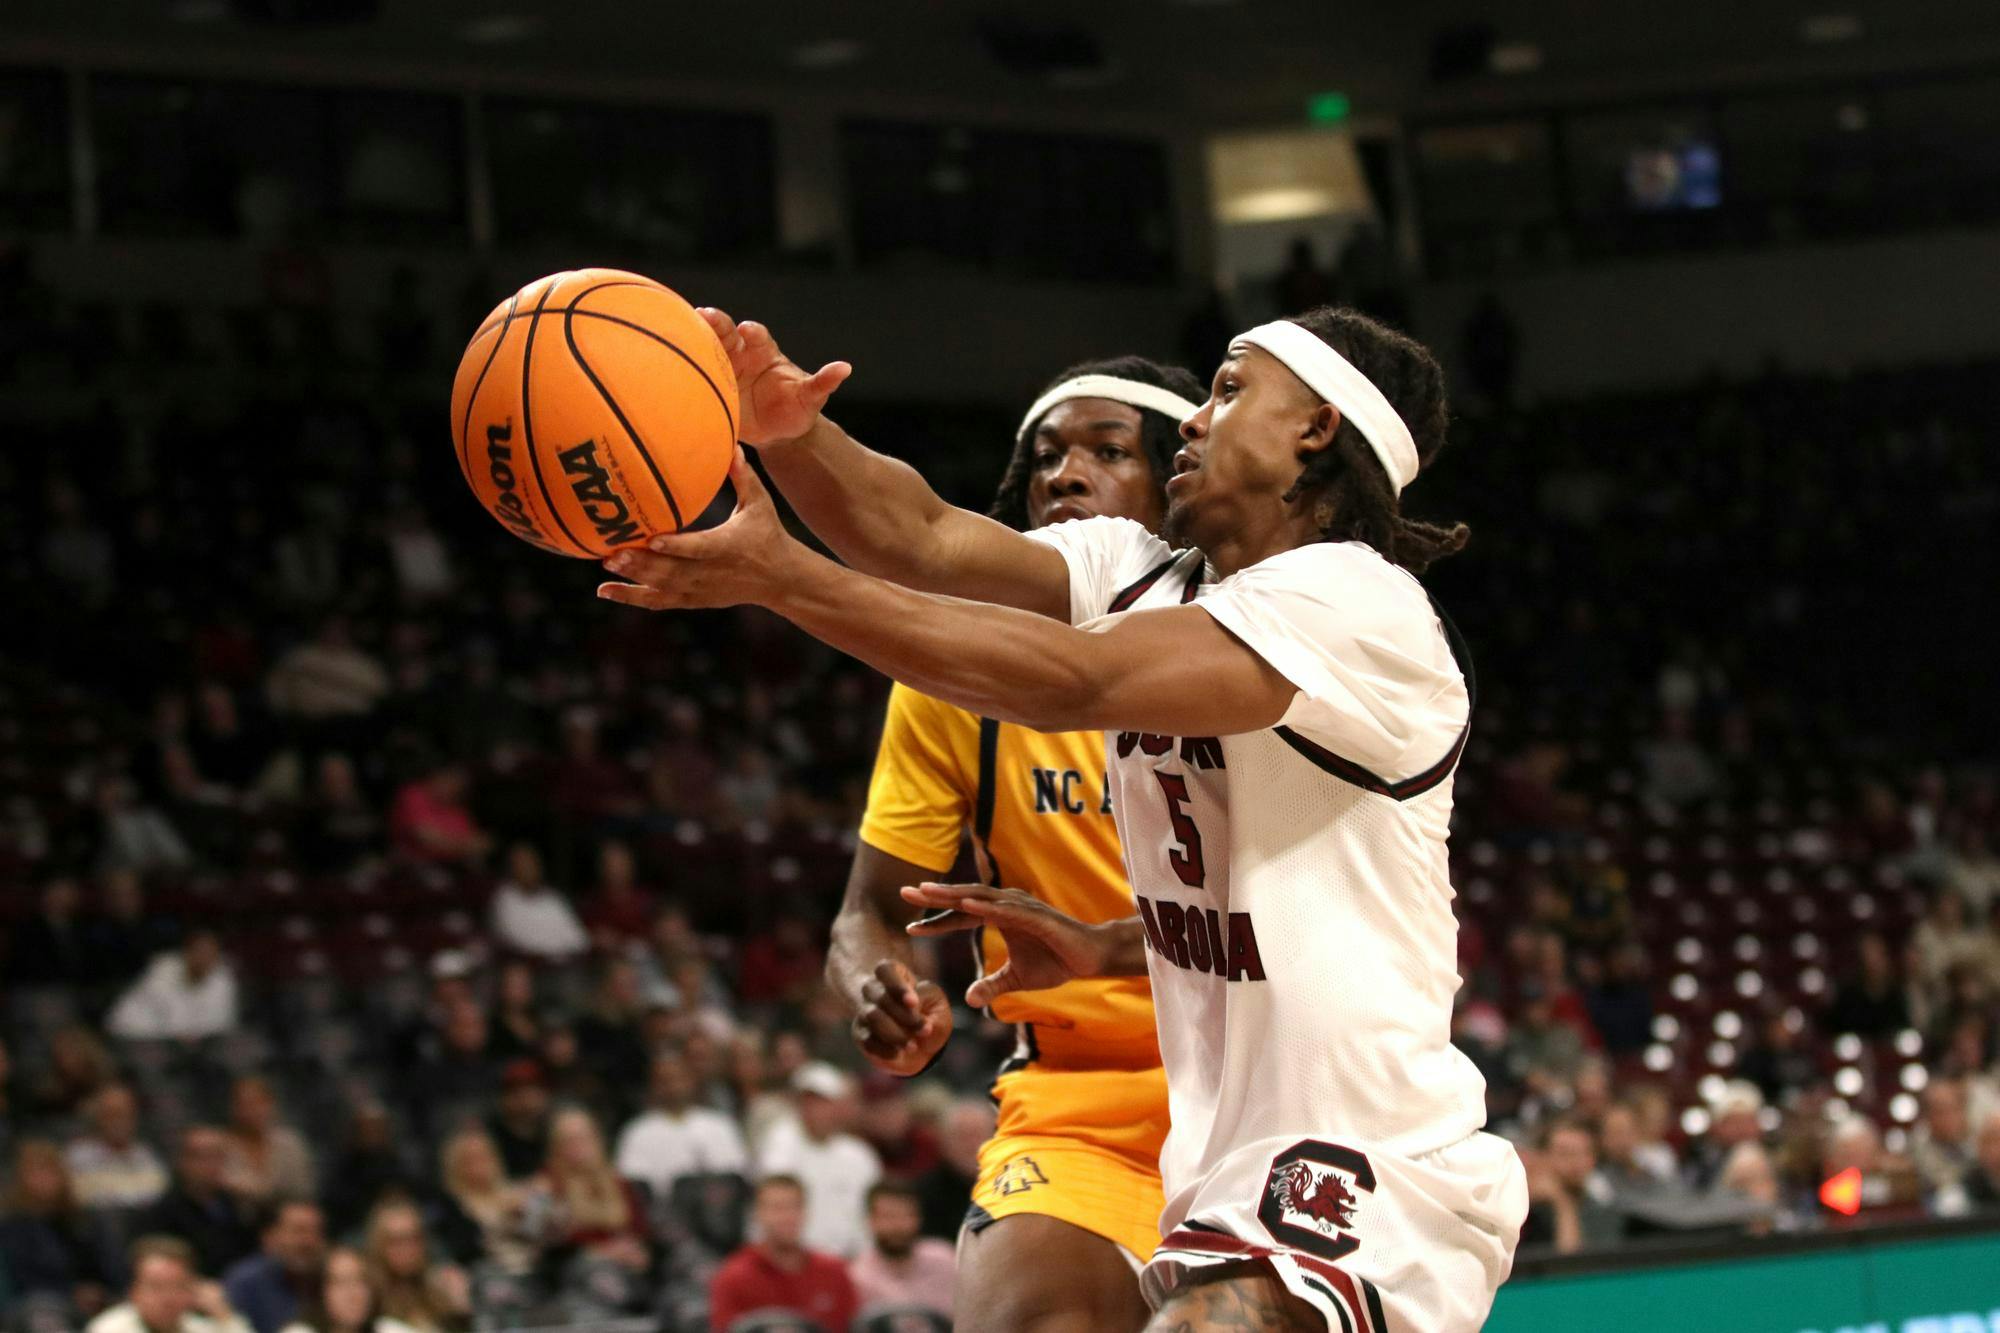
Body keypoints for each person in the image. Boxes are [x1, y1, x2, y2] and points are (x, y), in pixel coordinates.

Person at [600, 303, 1526, 1330]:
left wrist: (784, 581)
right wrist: (788, 429)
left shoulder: (1357, 605)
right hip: (1218, 1165)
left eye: (1226, 391)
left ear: (1313, 429)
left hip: (1366, 1159)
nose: (1193, 420)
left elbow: (1076, 683)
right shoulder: (1149, 574)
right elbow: (921, 536)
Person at [828, 356, 1199, 1331]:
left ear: (1178, 484)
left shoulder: (1258, 644)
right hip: (1081, 1107)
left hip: (1271, 1088)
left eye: (1106, 451)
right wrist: (878, 982)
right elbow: (865, 913)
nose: (1062, 475)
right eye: (1044, 457)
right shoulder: (955, 680)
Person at [755, 1063, 881, 1258]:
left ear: (838, 1106)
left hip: (854, 1260)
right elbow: (777, 1208)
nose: (815, 1109)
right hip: (799, 1262)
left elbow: (873, 1214)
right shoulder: (780, 1144)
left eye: (823, 1102)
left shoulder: (859, 1155)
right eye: (807, 1102)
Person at [708, 1175, 857, 1333]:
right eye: (777, 1208)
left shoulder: (834, 1271)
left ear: (806, 1212)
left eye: (795, 1207)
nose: (787, 1217)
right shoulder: (733, 1278)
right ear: (758, 1214)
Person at [0, 1139, 115, 1321]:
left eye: (50, 1170)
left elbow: (107, 1264)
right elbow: (23, 1279)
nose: (44, 1179)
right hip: (41, 1305)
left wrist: (101, 1291)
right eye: (36, 1172)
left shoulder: (83, 1220)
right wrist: (69, 1294)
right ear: (21, 1179)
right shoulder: (12, 1226)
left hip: (96, 1301)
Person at [613, 1050, 750, 1198]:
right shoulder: (637, 1132)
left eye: (679, 1078)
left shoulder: (720, 1125)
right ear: (653, 1085)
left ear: (692, 1080)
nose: (673, 1086)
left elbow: (736, 1175)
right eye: (664, 1080)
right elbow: (633, 1184)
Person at [528, 1108, 648, 1274]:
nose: (579, 1146)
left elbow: (639, 1228)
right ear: (555, 1147)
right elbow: (537, 1239)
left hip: (626, 1264)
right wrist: (602, 1252)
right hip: (576, 1269)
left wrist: (634, 1250)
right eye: (569, 1141)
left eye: (584, 1138)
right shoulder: (544, 1185)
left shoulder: (617, 1181)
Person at [141, 1127, 259, 1277]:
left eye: (218, 1156)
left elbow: (251, 1252)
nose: (211, 1164)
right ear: (183, 1162)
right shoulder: (164, 1211)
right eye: (202, 1157)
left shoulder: (234, 1202)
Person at [87, 1236, 253, 1333]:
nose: (168, 1298)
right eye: (156, 1287)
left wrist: (225, 1317)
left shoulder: (201, 1328)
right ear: (133, 1291)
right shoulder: (109, 1329)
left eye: (178, 1286)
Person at [429, 1129, 533, 1277]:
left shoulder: (515, 1192)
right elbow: (465, 1249)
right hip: (488, 1275)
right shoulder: (452, 1206)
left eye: (484, 1156)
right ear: (456, 1166)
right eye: (470, 1160)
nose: (479, 1164)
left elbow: (540, 1235)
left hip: (532, 1267)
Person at [106, 930, 239, 1043]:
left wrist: (192, 1033)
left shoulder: (222, 980)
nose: (203, 958)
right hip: (133, 1034)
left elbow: (221, 1022)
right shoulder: (162, 969)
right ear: (187, 952)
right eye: (199, 951)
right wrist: (184, 1032)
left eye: (210, 953)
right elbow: (165, 1013)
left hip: (181, 1045)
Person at [848, 1181, 954, 1319]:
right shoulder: (858, 1276)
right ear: (870, 1220)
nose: (898, 1225)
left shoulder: (945, 1260)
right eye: (889, 1216)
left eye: (906, 1216)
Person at [361, 1201, 470, 1333]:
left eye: (414, 1239)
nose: (407, 1249)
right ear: (379, 1245)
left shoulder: (439, 1289)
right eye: (396, 1241)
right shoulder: (368, 1298)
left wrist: (461, 1312)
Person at [1518, 1121, 1623, 1255]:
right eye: (1565, 1153)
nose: (1576, 1162)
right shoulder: (1524, 1210)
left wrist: (1562, 1202)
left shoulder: (1603, 1212)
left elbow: (1570, 1265)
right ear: (1542, 1157)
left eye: (1584, 1153)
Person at [221, 1200, 328, 1333]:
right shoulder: (245, 1282)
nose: (308, 1241)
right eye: (298, 1231)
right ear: (273, 1236)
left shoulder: (330, 1278)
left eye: (316, 1231)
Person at [67, 1082, 171, 1212]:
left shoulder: (146, 1154)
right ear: (98, 1117)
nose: (119, 1121)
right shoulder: (79, 1156)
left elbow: (161, 1194)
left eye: (126, 1114)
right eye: (112, 1114)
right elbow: (83, 1199)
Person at [220, 1078, 316, 1210]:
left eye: (258, 1103)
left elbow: (302, 1192)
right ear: (233, 1107)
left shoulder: (290, 1144)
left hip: (283, 1220)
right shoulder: (219, 1145)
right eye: (244, 1104)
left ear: (271, 1104)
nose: (252, 1110)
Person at [277, 1247, 417, 1333]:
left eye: (360, 1281)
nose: (353, 1293)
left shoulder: (390, 1329)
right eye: (341, 1282)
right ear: (320, 1291)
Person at [488, 842, 588, 962]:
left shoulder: (552, 899)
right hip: (528, 965)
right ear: (511, 868)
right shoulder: (504, 899)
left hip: (563, 965)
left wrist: (557, 951)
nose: (527, 869)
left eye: (531, 864)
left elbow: (578, 939)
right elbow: (516, 939)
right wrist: (555, 949)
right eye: (522, 864)